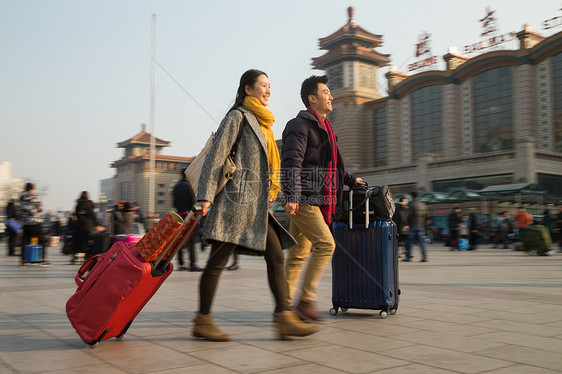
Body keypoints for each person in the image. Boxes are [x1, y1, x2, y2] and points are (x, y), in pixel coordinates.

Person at [193, 69, 319, 341]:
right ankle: (202, 320)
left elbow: (269, 169)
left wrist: (285, 195)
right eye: (263, 85)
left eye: (270, 86)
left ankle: (284, 316)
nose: (268, 90)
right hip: (234, 205)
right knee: (217, 262)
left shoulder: (264, 123)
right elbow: (217, 155)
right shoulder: (237, 117)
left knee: (275, 255)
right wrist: (205, 195)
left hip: (258, 208)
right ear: (248, 89)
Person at [281, 75, 364, 322]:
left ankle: (284, 305)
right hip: (306, 197)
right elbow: (292, 162)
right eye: (326, 92)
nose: (331, 96)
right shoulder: (300, 125)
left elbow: (332, 166)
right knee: (326, 245)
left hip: (315, 196)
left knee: (298, 253)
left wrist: (350, 179)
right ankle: (305, 301)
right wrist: (292, 194)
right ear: (312, 98)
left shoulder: (326, 128)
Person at [172, 169, 202, 272]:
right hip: (189, 216)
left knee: (179, 241)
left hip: (179, 216)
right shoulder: (189, 186)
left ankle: (181, 264)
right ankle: (192, 264)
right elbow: (194, 203)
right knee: (192, 240)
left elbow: (174, 203)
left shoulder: (175, 187)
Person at [19, 183, 50, 267]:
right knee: (43, 240)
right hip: (35, 222)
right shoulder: (34, 197)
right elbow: (40, 208)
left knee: (25, 241)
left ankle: (22, 260)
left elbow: (20, 209)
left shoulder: (21, 198)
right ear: (31, 189)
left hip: (25, 223)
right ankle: (43, 259)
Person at [75, 191, 106, 261]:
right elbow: (93, 216)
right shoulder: (89, 204)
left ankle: (84, 258)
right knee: (92, 243)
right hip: (90, 227)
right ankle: (90, 259)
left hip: (81, 227)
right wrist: (97, 225)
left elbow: (78, 216)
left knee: (84, 243)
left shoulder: (78, 205)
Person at [403, 191, 429, 262]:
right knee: (422, 243)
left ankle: (408, 257)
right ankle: (424, 257)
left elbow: (408, 216)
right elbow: (426, 216)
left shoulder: (411, 204)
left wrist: (407, 223)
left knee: (410, 242)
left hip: (413, 226)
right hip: (421, 226)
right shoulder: (423, 204)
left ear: (412, 197)